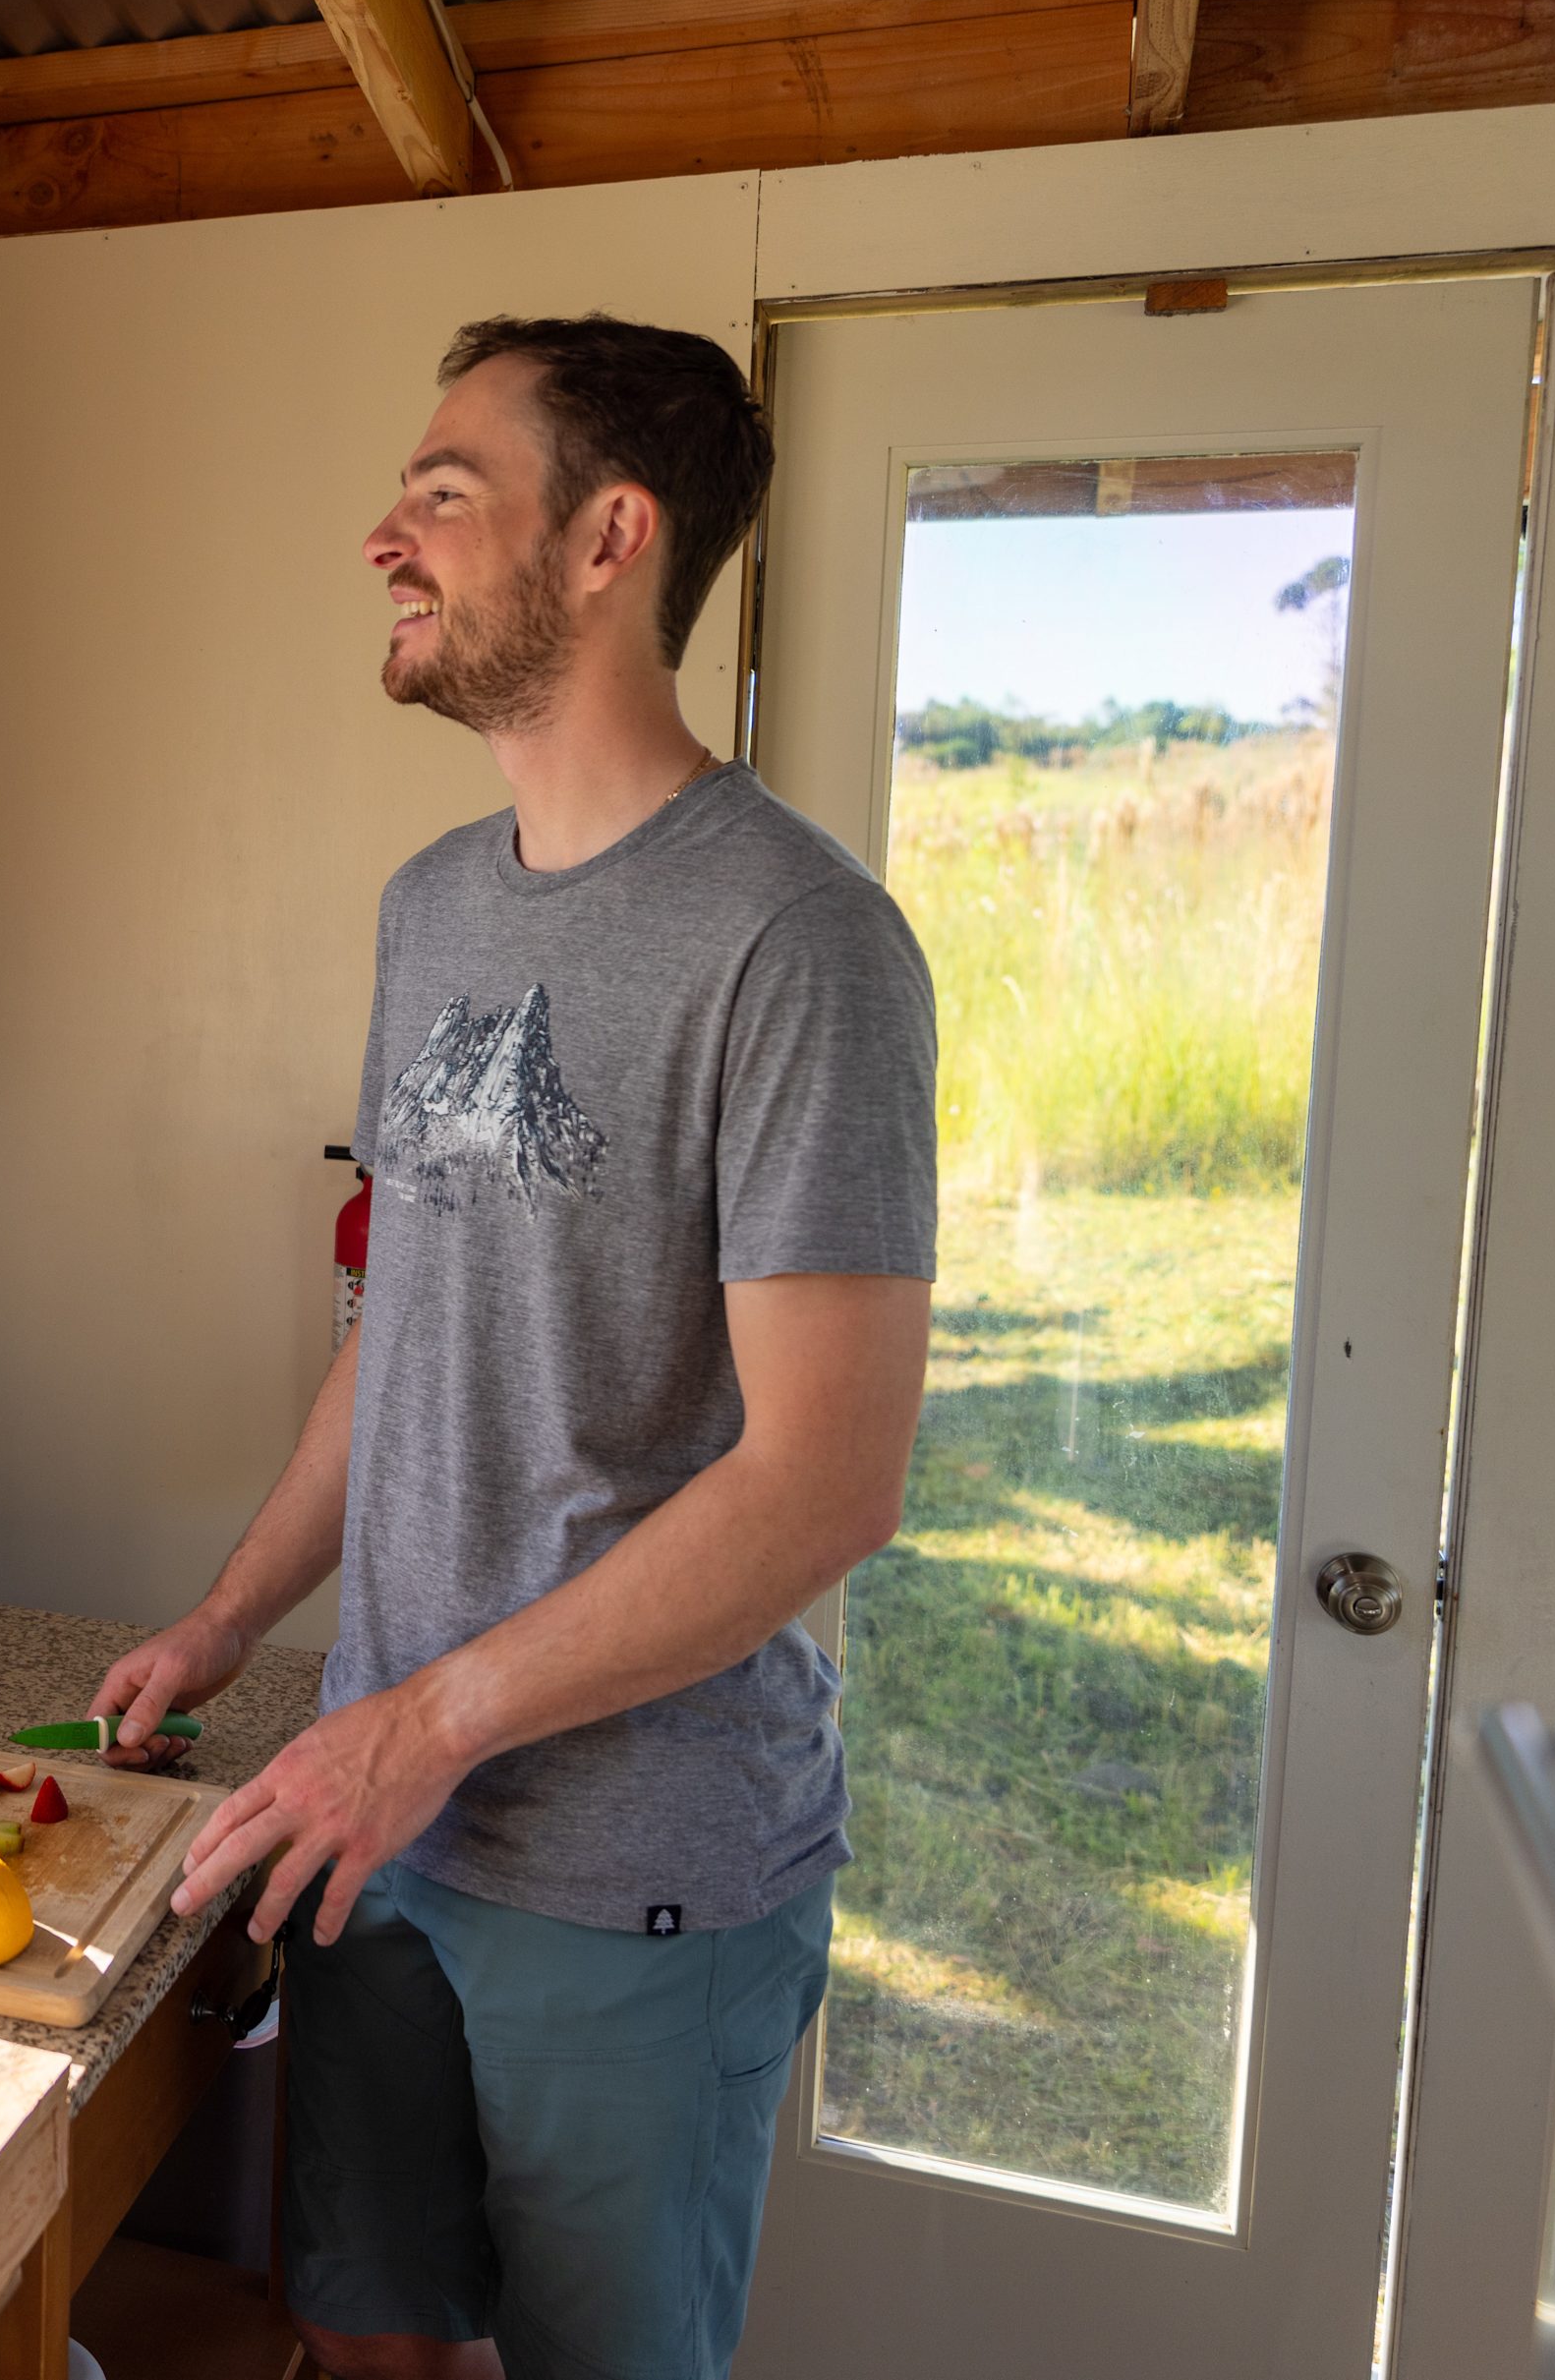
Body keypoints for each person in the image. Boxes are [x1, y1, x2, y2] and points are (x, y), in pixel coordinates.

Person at [89, 316, 938, 2380]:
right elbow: (408, 1332)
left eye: (445, 491)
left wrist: (423, 1726)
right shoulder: (433, 909)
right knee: (362, 2348)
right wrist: (231, 1622)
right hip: (380, 1839)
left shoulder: (797, 943)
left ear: (606, 542)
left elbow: (826, 1482)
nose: (386, 535)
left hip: (637, 1873)